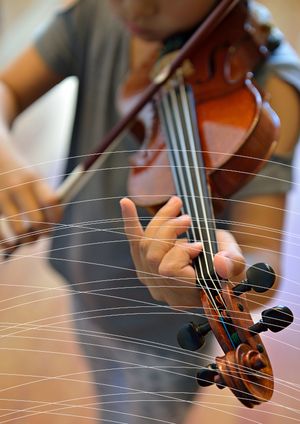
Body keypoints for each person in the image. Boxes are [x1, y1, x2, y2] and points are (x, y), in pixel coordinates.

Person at [0, 0, 299, 422]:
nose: (136, 7)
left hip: (161, 343)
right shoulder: (100, 15)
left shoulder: (271, 82)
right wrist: (5, 156)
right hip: (87, 292)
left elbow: (261, 261)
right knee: (105, 391)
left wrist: (226, 270)